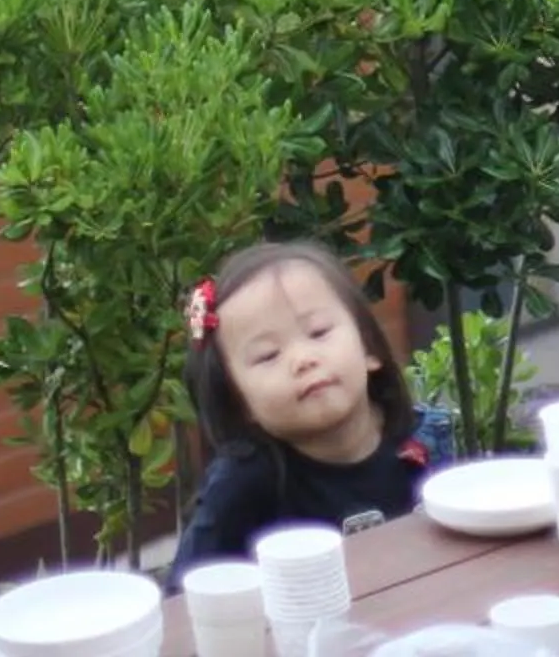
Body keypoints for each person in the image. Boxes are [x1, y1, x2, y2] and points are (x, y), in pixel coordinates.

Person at [170, 239, 451, 583]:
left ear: (369, 347)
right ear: (239, 403)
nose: (303, 359)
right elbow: (187, 599)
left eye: (318, 332)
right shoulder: (243, 485)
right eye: (268, 355)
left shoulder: (428, 442)